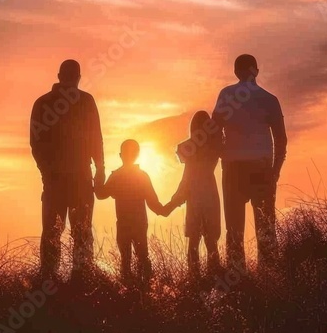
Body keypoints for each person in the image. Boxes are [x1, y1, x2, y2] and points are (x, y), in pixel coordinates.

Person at [30, 59, 105, 279]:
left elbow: (36, 145)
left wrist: (47, 173)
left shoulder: (42, 103)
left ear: (59, 76)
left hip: (56, 181)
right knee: (81, 232)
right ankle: (81, 277)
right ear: (78, 77)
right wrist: (100, 169)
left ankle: (49, 279)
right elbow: (96, 141)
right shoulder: (86, 101)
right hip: (79, 179)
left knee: (53, 232)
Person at [212, 54, 287, 271]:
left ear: (236, 72)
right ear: (257, 71)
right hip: (262, 168)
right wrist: (275, 171)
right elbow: (281, 138)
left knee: (234, 231)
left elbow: (214, 129)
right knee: (266, 229)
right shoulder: (270, 99)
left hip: (233, 168)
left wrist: (221, 152)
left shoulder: (226, 94)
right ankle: (270, 279)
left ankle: (237, 284)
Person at [162, 110, 222, 278]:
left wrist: (172, 203)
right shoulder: (215, 148)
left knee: (194, 242)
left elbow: (185, 181)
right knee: (211, 242)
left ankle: (194, 278)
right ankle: (214, 276)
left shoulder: (189, 150)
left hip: (195, 195)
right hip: (210, 192)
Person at [96, 139, 164, 284]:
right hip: (138, 223)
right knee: (142, 256)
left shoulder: (117, 176)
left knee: (126, 259)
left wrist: (99, 172)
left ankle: (131, 289)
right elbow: (153, 203)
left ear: (121, 155)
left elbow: (100, 194)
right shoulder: (142, 176)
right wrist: (165, 209)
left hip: (124, 225)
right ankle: (146, 288)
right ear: (137, 155)